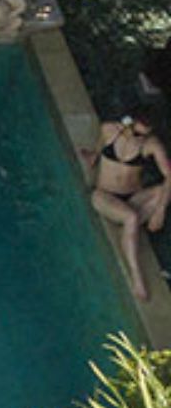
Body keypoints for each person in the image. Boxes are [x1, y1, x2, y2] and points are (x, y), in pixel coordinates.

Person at [84, 110, 170, 303]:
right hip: (105, 195)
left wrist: (160, 210)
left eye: (143, 135)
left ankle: (130, 228)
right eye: (135, 132)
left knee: (160, 192)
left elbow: (169, 175)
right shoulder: (109, 130)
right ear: (129, 122)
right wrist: (93, 156)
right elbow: (99, 146)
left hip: (131, 198)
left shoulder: (151, 145)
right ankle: (137, 277)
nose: (138, 137)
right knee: (131, 218)